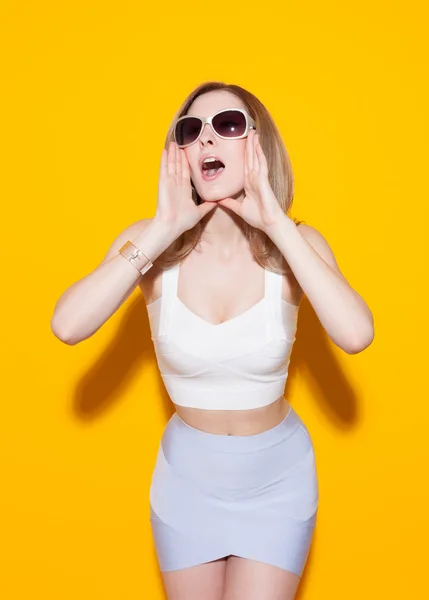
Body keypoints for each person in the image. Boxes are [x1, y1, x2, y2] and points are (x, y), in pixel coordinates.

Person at [51, 81, 374, 600]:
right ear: (178, 153)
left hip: (277, 482)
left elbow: (356, 334)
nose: (205, 140)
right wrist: (161, 231)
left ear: (257, 145)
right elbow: (68, 326)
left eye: (226, 125)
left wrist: (275, 223)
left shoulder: (296, 245)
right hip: (187, 482)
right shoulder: (149, 243)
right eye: (190, 130)